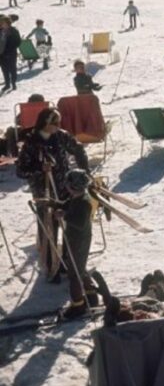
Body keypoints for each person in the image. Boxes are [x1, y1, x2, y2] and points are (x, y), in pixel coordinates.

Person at [17, 108, 90, 282]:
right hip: (44, 192)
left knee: (68, 225)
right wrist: (39, 169)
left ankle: (67, 262)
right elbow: (21, 171)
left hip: (65, 189)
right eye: (55, 123)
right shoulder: (32, 143)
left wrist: (84, 172)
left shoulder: (61, 136)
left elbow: (78, 149)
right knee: (49, 229)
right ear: (45, 123)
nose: (59, 126)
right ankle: (51, 267)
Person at [42, 168, 98, 318]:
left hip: (80, 239)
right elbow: (66, 205)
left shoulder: (85, 202)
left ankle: (77, 305)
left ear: (74, 186)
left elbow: (79, 222)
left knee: (74, 274)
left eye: (68, 184)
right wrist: (54, 204)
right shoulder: (76, 197)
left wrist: (64, 215)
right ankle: (91, 293)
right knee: (79, 267)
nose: (66, 186)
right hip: (74, 238)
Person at [0, 14, 21, 92]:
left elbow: (18, 42)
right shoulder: (0, 31)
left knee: (12, 69)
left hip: (11, 53)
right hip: (2, 54)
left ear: (8, 23)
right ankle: (7, 84)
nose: (2, 24)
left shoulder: (14, 31)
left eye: (3, 23)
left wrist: (10, 49)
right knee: (4, 70)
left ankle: (13, 83)